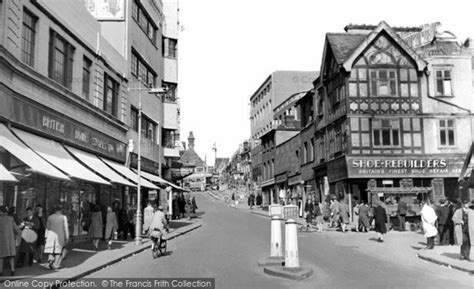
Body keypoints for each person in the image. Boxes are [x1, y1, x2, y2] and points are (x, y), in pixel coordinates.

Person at [44, 204, 69, 270]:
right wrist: (67, 237)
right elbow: (66, 228)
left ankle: (50, 260)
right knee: (58, 250)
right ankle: (56, 265)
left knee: (51, 249)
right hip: (60, 236)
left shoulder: (50, 217)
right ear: (61, 210)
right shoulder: (64, 217)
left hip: (50, 235)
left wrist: (46, 236)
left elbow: (47, 227)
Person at [0, 205, 21, 276]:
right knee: (11, 256)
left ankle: (0, 271)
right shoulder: (11, 218)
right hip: (10, 240)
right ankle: (12, 270)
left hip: (1, 240)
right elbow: (17, 230)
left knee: (1, 256)